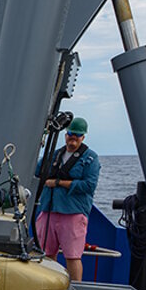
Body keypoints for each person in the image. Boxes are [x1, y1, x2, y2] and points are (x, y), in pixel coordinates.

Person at [35, 117, 101, 281]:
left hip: (73, 213)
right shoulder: (54, 155)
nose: (73, 138)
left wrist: (59, 183)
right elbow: (37, 171)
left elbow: (89, 185)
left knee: (72, 256)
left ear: (83, 137)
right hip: (49, 209)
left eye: (78, 135)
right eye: (71, 134)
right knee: (47, 254)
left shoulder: (91, 158)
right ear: (65, 134)